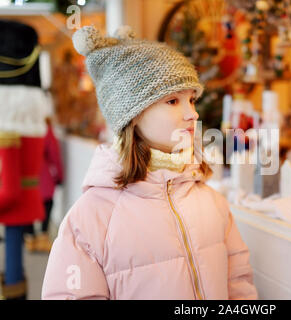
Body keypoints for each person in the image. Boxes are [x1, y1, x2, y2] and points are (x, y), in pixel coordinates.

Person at [41, 26, 258, 300]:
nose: (192, 113)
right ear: (132, 116)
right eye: (172, 100)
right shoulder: (91, 218)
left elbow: (238, 284)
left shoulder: (212, 202)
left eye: (192, 100)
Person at [0, 20, 48, 300]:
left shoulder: (9, 126)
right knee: (14, 256)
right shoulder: (28, 118)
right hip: (22, 197)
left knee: (13, 259)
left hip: (11, 197)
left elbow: (9, 188)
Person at [24, 117, 64, 253]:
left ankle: (29, 238)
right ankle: (42, 236)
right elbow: (54, 153)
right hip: (42, 174)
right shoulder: (45, 127)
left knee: (27, 204)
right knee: (47, 203)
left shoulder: (21, 126)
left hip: (25, 174)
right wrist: (59, 175)